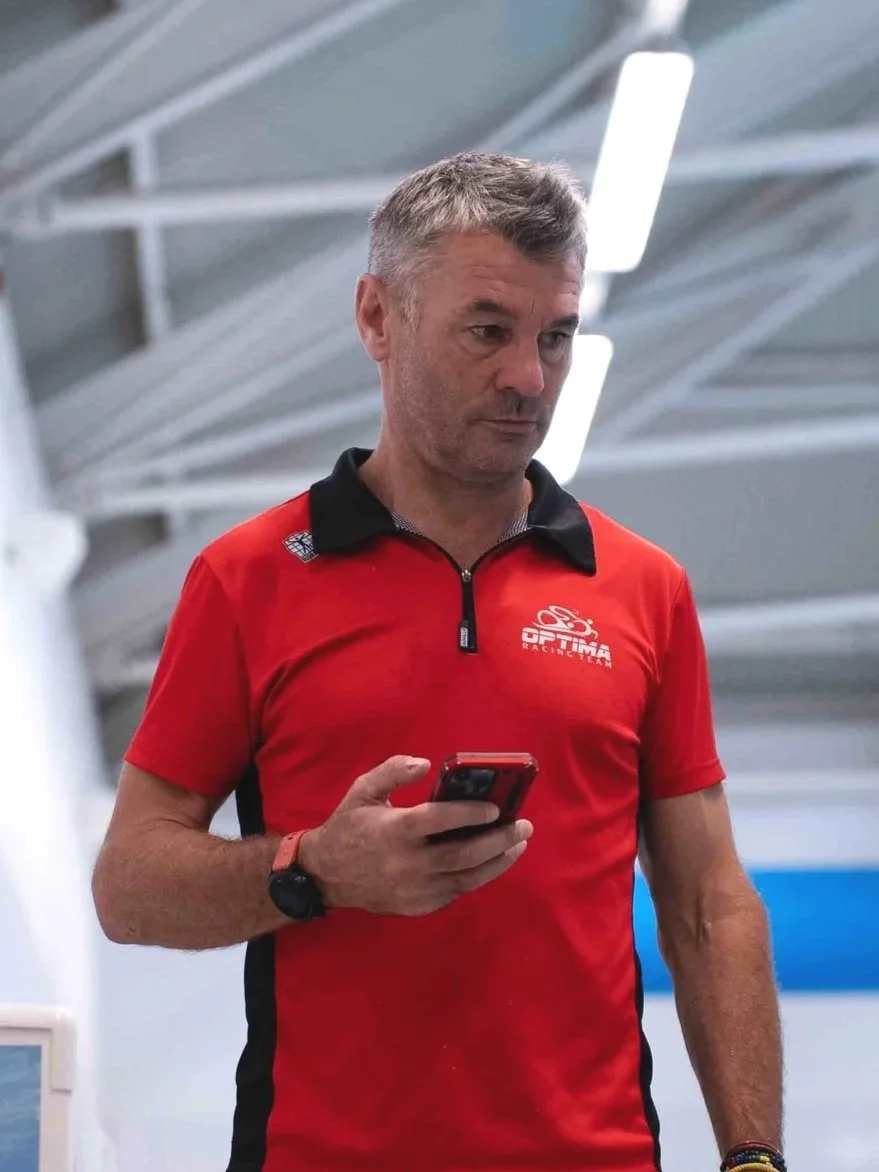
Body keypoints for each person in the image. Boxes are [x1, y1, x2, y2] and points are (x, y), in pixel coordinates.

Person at [92, 152, 784, 1172]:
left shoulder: (644, 588)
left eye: (556, 337)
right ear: (377, 317)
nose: (529, 377)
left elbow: (707, 899)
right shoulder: (247, 579)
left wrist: (754, 1154)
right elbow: (129, 884)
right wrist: (313, 869)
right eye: (488, 331)